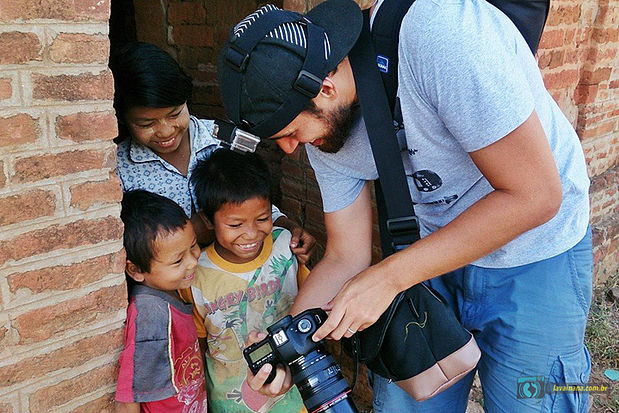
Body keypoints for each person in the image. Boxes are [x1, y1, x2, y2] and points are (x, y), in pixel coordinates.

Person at [216, 0, 593, 412]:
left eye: (289, 133)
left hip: (537, 254)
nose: (290, 150)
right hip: (430, 261)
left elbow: (536, 196)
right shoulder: (325, 126)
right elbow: (346, 254)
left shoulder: (442, 36)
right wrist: (287, 345)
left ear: (325, 86)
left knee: (535, 402)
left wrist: (389, 278)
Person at [109, 41, 315, 262]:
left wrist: (285, 224)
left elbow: (252, 196)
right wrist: (191, 232)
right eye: (146, 124)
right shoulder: (117, 170)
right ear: (121, 119)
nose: (165, 131)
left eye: (175, 114)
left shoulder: (225, 139)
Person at [178, 148, 309, 413]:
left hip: (297, 397)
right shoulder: (196, 274)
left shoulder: (285, 247)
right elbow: (198, 347)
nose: (251, 233)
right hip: (231, 403)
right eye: (235, 225)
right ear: (208, 220)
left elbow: (311, 306)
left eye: (262, 219)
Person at [115, 189, 207, 413]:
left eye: (193, 245)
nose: (193, 262)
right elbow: (128, 396)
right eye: (178, 261)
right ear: (136, 270)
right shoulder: (150, 314)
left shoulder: (171, 291)